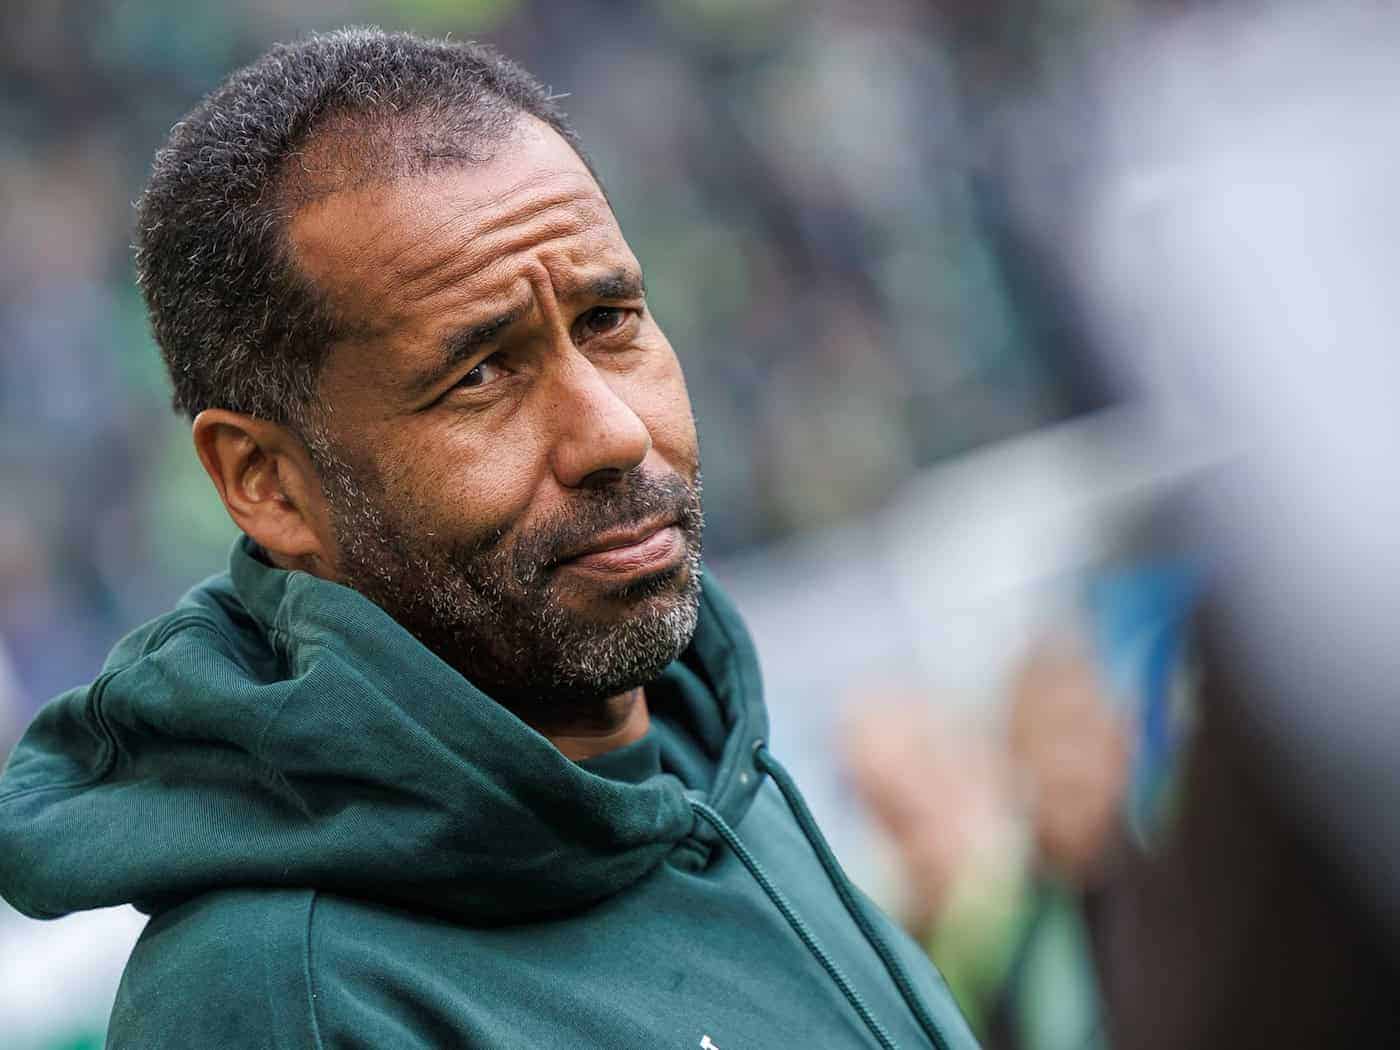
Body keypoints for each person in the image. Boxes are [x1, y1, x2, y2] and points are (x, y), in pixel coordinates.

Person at [0, 28, 976, 1050]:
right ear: (269, 485)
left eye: (609, 319)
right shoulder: (285, 1002)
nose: (611, 431)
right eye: (479, 374)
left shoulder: (723, 782)